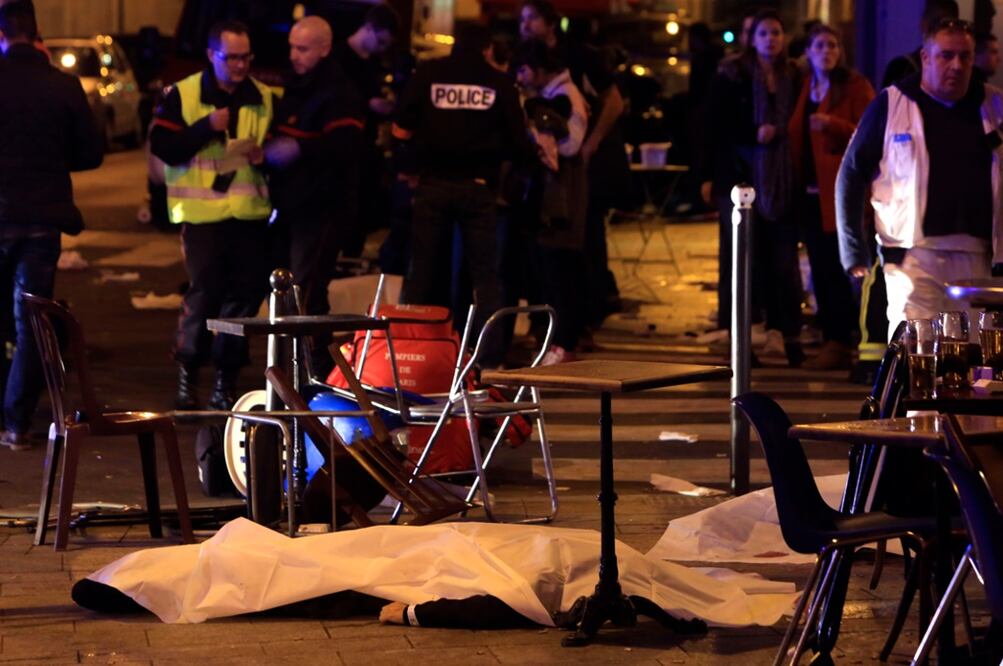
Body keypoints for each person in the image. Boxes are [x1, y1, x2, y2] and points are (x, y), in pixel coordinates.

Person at [837, 18, 1002, 338]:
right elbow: (851, 173)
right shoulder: (893, 103)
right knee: (916, 347)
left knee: (970, 352)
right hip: (912, 255)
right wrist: (853, 249)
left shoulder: (992, 104)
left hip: (979, 255)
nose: (956, 65)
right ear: (926, 57)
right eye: (946, 55)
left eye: (965, 56)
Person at [393, 23, 534, 367]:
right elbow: (519, 142)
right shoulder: (498, 83)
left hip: (433, 184)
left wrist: (410, 164)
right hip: (478, 188)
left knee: (422, 272)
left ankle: (408, 354)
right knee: (485, 276)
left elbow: (401, 127)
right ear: (487, 48)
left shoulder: (428, 74)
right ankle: (489, 357)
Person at [150, 19, 275, 411]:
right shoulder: (183, 95)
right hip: (203, 215)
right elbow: (164, 147)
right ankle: (188, 375)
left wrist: (264, 155)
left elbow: (279, 146)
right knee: (204, 295)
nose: (240, 65)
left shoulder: (265, 96)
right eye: (232, 57)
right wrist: (206, 126)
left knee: (241, 302)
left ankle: (226, 380)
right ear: (211, 55)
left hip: (249, 215)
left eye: (246, 57)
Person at [0, 1, 103, 451]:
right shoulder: (62, 86)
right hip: (42, 219)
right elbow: (90, 153)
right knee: (30, 324)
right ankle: (16, 423)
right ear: (36, 34)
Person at [700, 10, 804, 367]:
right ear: (752, 39)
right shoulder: (733, 74)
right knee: (742, 262)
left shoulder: (795, 75)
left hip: (782, 181)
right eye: (764, 34)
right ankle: (739, 341)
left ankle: (786, 334)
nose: (771, 40)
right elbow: (714, 125)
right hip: (741, 179)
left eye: (776, 33)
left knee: (783, 262)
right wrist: (751, 133)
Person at [264, 15, 364, 377]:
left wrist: (299, 149)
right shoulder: (297, 86)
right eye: (292, 46)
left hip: (324, 207)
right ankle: (307, 366)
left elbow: (346, 145)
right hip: (292, 204)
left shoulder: (339, 93)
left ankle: (315, 369)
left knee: (306, 289)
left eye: (302, 48)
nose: (294, 55)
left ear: (324, 48)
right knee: (297, 290)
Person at [519, 0, 627, 333]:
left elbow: (614, 101)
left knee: (581, 241)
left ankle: (582, 319)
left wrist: (591, 144)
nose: (524, 25)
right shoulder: (531, 57)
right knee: (552, 245)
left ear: (550, 23)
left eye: (531, 18)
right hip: (556, 167)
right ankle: (554, 321)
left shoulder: (578, 57)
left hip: (580, 161)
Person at [787, 24, 874, 370]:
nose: (827, 51)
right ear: (808, 51)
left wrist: (833, 124)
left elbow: (870, 133)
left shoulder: (854, 86)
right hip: (809, 192)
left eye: (833, 45)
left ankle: (841, 341)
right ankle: (831, 338)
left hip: (839, 191)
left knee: (840, 267)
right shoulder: (804, 86)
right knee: (820, 268)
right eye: (820, 45)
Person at [513, 39, 589, 364]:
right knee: (551, 268)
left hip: (564, 193)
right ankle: (556, 340)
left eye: (524, 69)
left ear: (540, 69)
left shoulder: (565, 96)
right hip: (556, 193)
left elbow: (571, 145)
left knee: (562, 268)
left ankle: (565, 342)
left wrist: (542, 134)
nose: (521, 75)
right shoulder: (550, 95)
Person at [336, 3, 400, 258]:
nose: (382, 49)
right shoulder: (339, 57)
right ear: (369, 29)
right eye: (381, 42)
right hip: (343, 144)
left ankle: (353, 252)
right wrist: (367, 103)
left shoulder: (373, 62)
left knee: (363, 203)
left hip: (367, 142)